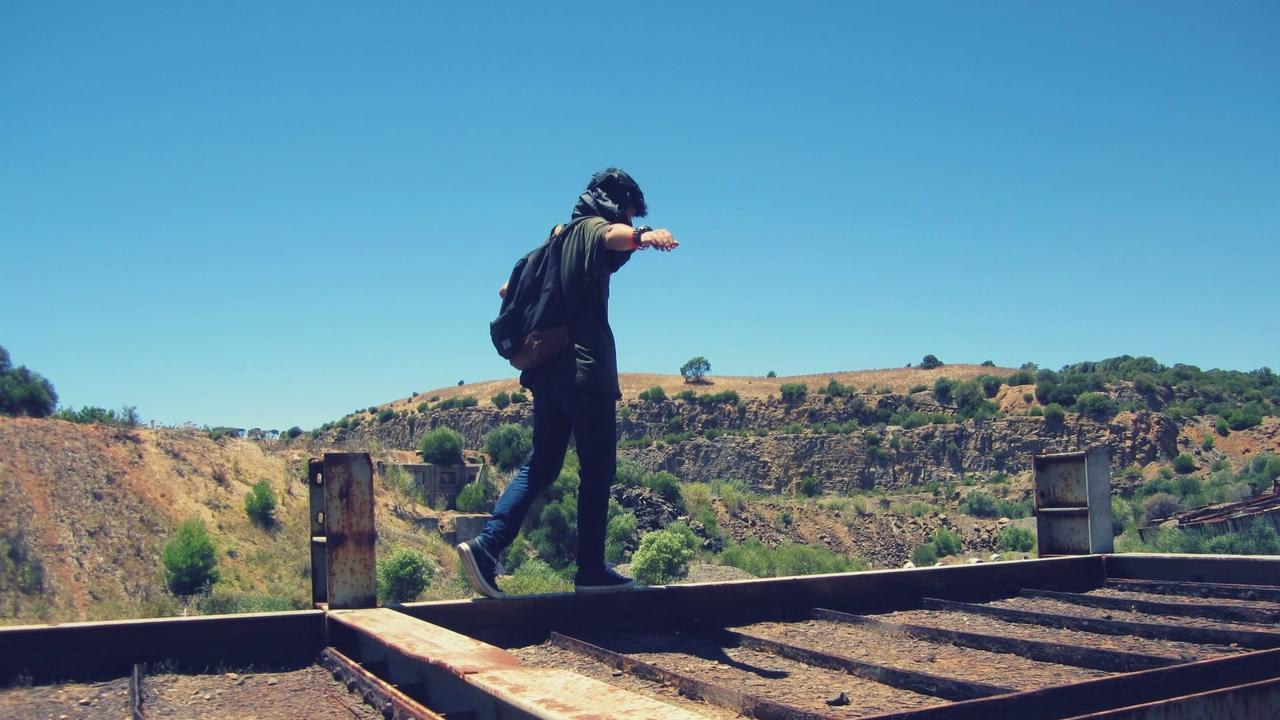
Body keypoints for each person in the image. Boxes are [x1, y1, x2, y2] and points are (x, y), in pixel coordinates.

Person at [457, 168, 679, 598]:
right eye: (629, 213)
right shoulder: (589, 230)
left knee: (542, 464)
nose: (630, 223)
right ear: (614, 204)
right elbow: (609, 236)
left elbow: (507, 290)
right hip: (583, 370)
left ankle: (487, 547)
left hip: (546, 370)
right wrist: (646, 237)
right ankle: (591, 569)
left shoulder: (554, 239)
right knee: (598, 470)